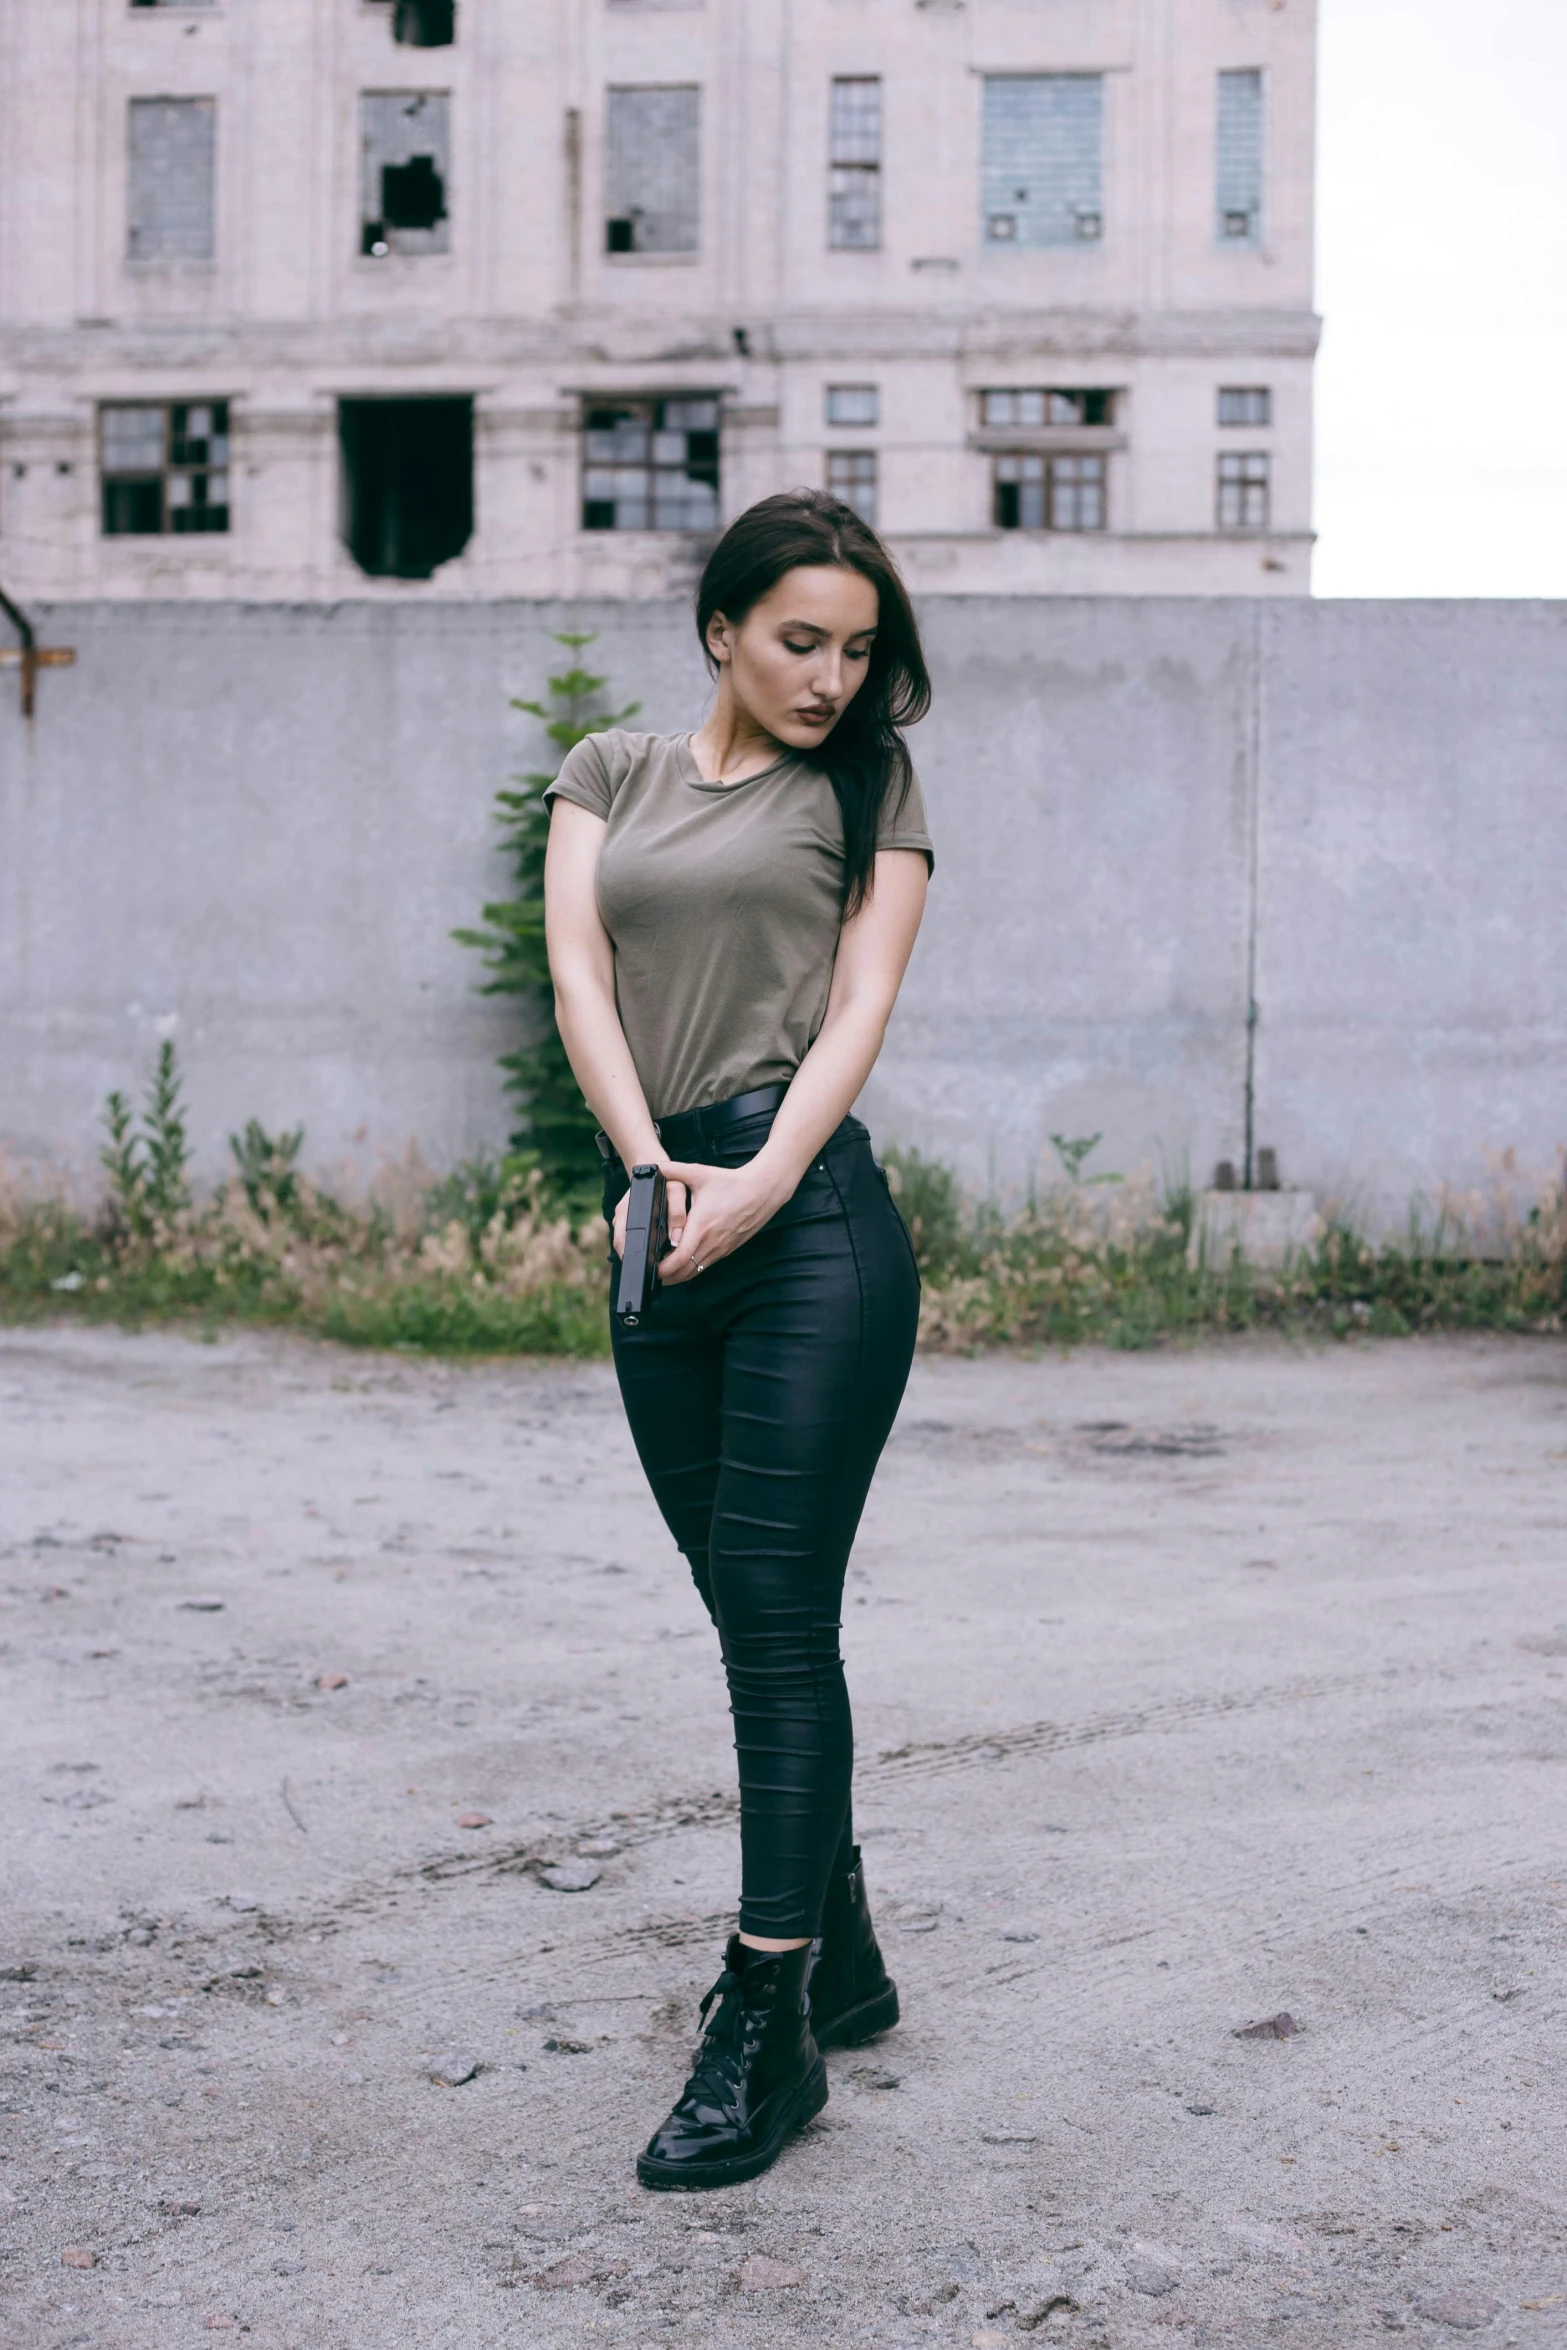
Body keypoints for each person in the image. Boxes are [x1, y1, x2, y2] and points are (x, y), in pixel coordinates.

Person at [543, 489, 933, 2190]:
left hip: (811, 1224)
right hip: (664, 1222)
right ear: (720, 629)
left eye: (855, 648)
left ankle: (765, 2016)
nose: (831, 675)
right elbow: (576, 973)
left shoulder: (868, 786)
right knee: (740, 1602)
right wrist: (649, 1175)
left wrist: (762, 1181)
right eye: (799, 639)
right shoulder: (606, 773)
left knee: (774, 1616)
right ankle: (837, 1938)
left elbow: (861, 1004)